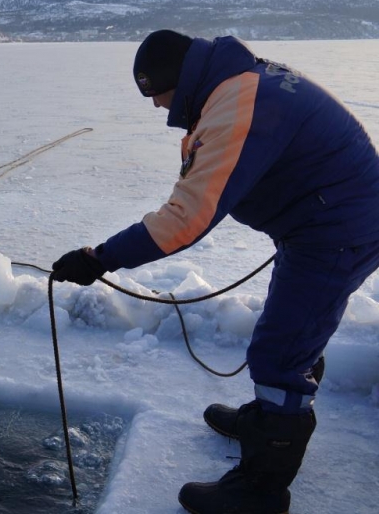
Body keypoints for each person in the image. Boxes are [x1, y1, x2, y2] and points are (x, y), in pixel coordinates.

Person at [51, 30, 379, 513]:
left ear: (175, 81)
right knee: (294, 328)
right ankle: (267, 421)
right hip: (326, 218)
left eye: (154, 93)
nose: (156, 106)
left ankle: (261, 490)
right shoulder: (236, 82)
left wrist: (99, 258)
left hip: (335, 229)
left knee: (281, 353)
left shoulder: (234, 106)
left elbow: (185, 219)